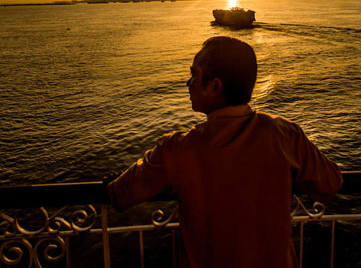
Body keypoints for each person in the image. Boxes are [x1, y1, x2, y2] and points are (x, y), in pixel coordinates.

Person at [107, 36, 342, 267]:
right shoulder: (284, 134)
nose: (188, 83)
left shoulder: (177, 149)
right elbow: (330, 184)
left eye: (194, 75)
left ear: (215, 86)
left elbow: (121, 194)